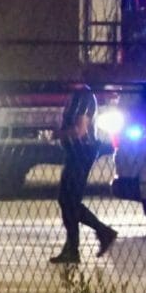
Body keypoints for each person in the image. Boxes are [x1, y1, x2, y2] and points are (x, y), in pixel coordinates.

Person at [49, 84, 117, 264]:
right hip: (76, 152)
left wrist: (59, 134)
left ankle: (100, 233)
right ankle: (75, 246)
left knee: (69, 200)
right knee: (68, 200)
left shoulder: (83, 95)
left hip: (81, 152)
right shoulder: (76, 94)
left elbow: (80, 130)